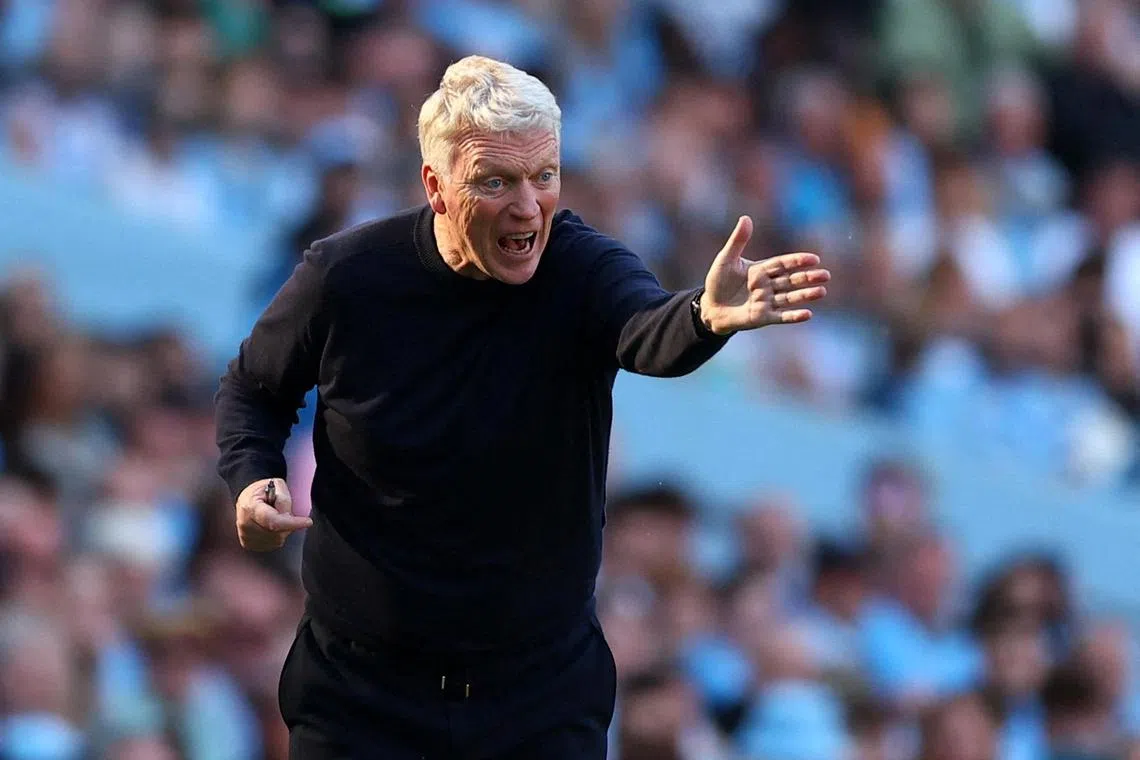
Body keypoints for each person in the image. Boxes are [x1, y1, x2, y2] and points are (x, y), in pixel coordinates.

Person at [214, 54, 830, 759]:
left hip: (539, 698)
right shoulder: (347, 277)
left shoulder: (583, 269)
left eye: (544, 175)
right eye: (496, 181)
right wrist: (252, 477)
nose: (528, 205)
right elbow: (254, 388)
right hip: (362, 695)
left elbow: (647, 331)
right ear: (436, 186)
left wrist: (702, 318)